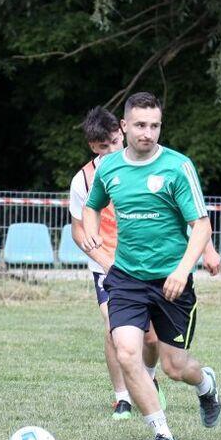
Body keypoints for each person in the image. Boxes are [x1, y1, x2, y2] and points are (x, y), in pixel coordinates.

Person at [80, 92, 221, 440]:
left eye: (155, 126)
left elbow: (202, 226)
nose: (148, 133)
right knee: (128, 353)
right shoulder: (109, 168)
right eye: (140, 125)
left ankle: (206, 385)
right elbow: (92, 206)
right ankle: (163, 435)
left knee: (175, 367)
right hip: (126, 278)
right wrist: (92, 232)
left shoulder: (178, 166)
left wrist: (182, 271)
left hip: (171, 281)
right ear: (124, 126)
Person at [68, 107, 165, 420]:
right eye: (104, 146)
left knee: (151, 337)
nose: (112, 149)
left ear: (122, 132)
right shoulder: (84, 180)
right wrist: (104, 261)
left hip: (145, 265)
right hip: (107, 267)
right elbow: (78, 230)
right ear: (93, 147)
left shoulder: (145, 166)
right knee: (114, 329)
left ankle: (149, 377)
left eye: (115, 142)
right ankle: (122, 397)